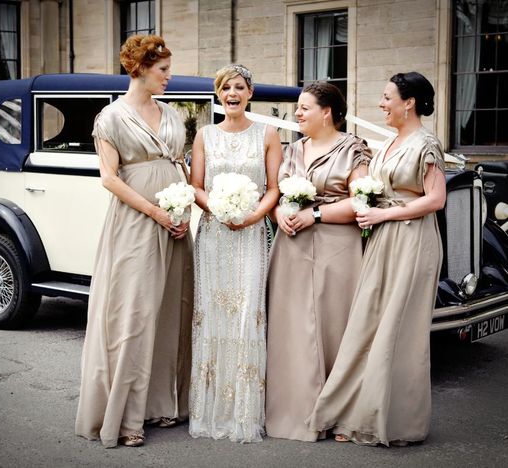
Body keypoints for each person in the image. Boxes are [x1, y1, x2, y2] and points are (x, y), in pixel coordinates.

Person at [310, 71, 447, 446]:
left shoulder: (426, 144)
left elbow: (435, 200)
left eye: (388, 97)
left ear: (409, 102)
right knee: (368, 322)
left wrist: (383, 214)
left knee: (398, 330)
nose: (382, 104)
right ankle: (354, 411)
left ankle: (395, 421)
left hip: (412, 240)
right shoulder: (388, 142)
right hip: (383, 237)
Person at [75, 34, 193, 448]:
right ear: (140, 68)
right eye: (163, 71)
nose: (168, 77)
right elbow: (109, 178)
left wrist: (183, 210)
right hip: (137, 223)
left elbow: (181, 165)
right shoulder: (110, 118)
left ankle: (162, 405)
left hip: (176, 222)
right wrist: (156, 212)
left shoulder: (174, 115)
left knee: (170, 311)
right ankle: (125, 418)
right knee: (135, 315)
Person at [265, 82, 371, 442]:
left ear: (327, 112)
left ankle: (340, 414)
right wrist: (280, 212)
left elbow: (361, 203)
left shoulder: (353, 150)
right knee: (293, 328)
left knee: (335, 327)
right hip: (292, 245)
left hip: (336, 246)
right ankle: (296, 409)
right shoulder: (293, 149)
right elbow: (278, 192)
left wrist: (317, 215)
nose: (297, 113)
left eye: (304, 108)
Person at [188, 64, 282, 443]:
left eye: (239, 87)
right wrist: (220, 210)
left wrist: (251, 215)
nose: (232, 93)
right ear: (218, 94)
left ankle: (244, 413)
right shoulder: (204, 136)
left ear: (250, 94)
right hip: (214, 235)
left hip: (251, 234)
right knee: (211, 314)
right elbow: (195, 186)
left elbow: (274, 188)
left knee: (247, 316)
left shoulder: (268, 133)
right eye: (225, 87)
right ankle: (210, 410)